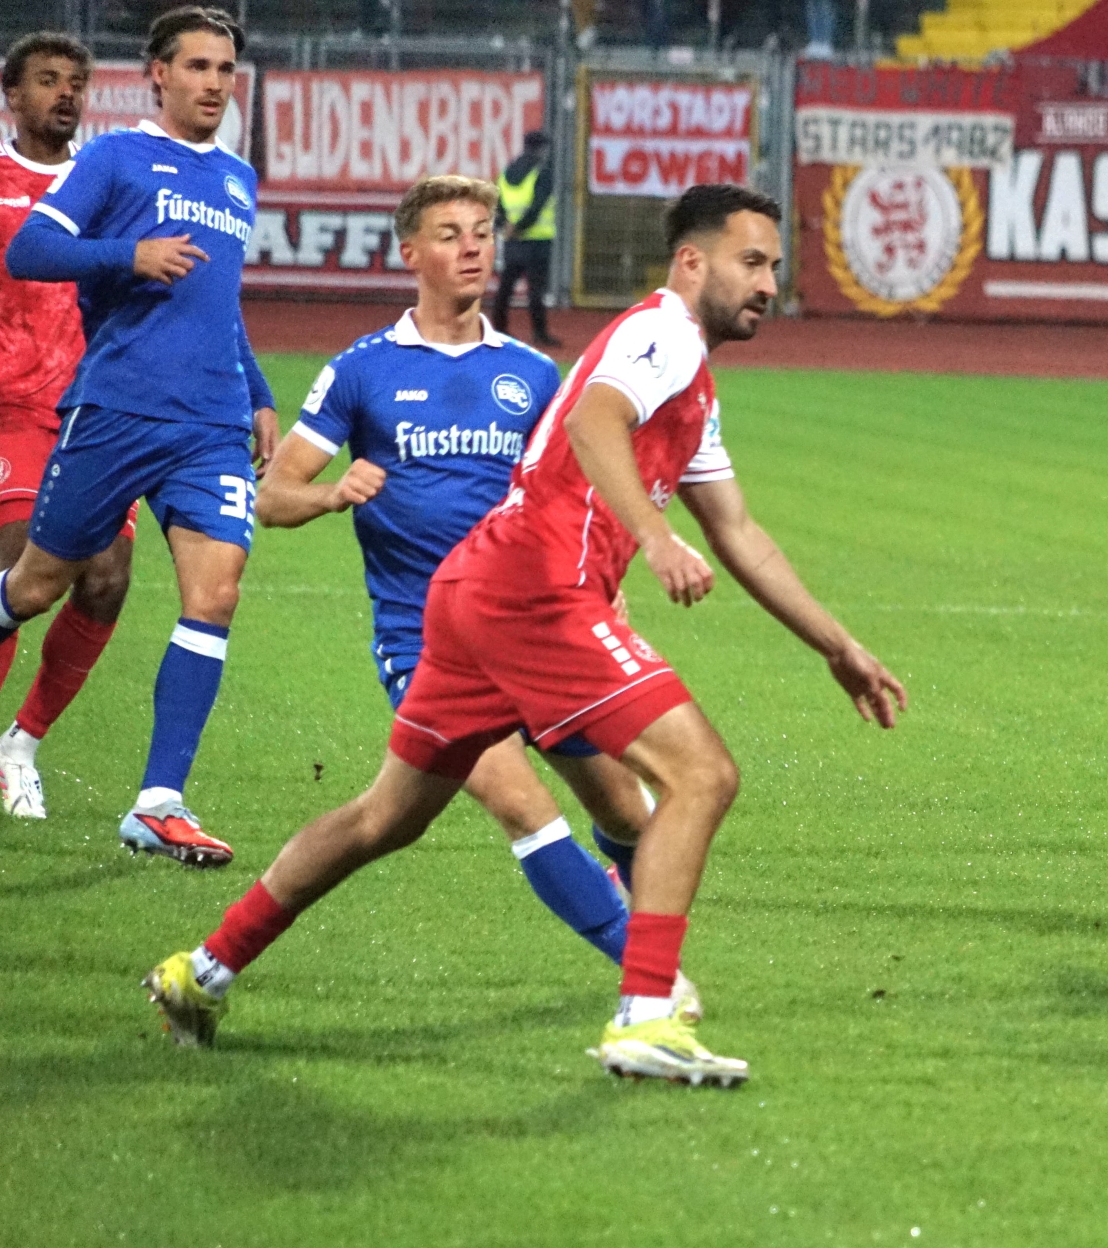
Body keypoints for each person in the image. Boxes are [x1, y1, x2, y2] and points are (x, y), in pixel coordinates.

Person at [143, 184, 908, 1087]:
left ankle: (201, 971)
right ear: (691, 262)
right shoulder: (660, 332)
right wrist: (655, 539)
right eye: (752, 263)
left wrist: (837, 646)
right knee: (701, 774)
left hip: (477, 593)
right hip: (536, 596)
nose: (769, 284)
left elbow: (740, 532)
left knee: (385, 818)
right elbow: (593, 421)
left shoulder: (687, 382)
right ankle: (646, 1015)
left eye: (775, 266)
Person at [251, 172, 696, 1017]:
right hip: (426, 641)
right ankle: (656, 988)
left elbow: (575, 493)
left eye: (483, 233)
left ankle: (212, 964)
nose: (473, 249)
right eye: (451, 234)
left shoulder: (531, 373)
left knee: (627, 810)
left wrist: (605, 595)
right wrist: (334, 492)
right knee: (520, 802)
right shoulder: (362, 371)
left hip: (534, 625)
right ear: (409, 253)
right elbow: (272, 496)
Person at [0, 6, 277, 864]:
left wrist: (257, 392)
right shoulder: (112, 160)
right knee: (34, 585)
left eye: (226, 70)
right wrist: (127, 255)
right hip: (116, 412)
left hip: (209, 424)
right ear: (159, 74)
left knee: (215, 595)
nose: (215, 83)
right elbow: (28, 251)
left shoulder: (238, 179)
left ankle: (158, 804)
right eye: (199, 67)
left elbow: (219, 300)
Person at [0, 32, 136, 822]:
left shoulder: (105, 182)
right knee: (16, 567)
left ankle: (21, 744)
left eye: (76, 82)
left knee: (106, 580)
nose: (65, 93)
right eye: (47, 80)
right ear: (12, 95)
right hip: (5, 409)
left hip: (95, 413)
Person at [492, 130, 559, 348]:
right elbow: (537, 206)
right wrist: (520, 227)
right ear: (540, 149)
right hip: (537, 241)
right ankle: (539, 333)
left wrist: (506, 226)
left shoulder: (506, 172)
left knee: (505, 287)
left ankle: (498, 329)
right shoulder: (542, 172)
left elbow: (497, 204)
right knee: (536, 290)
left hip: (512, 241)